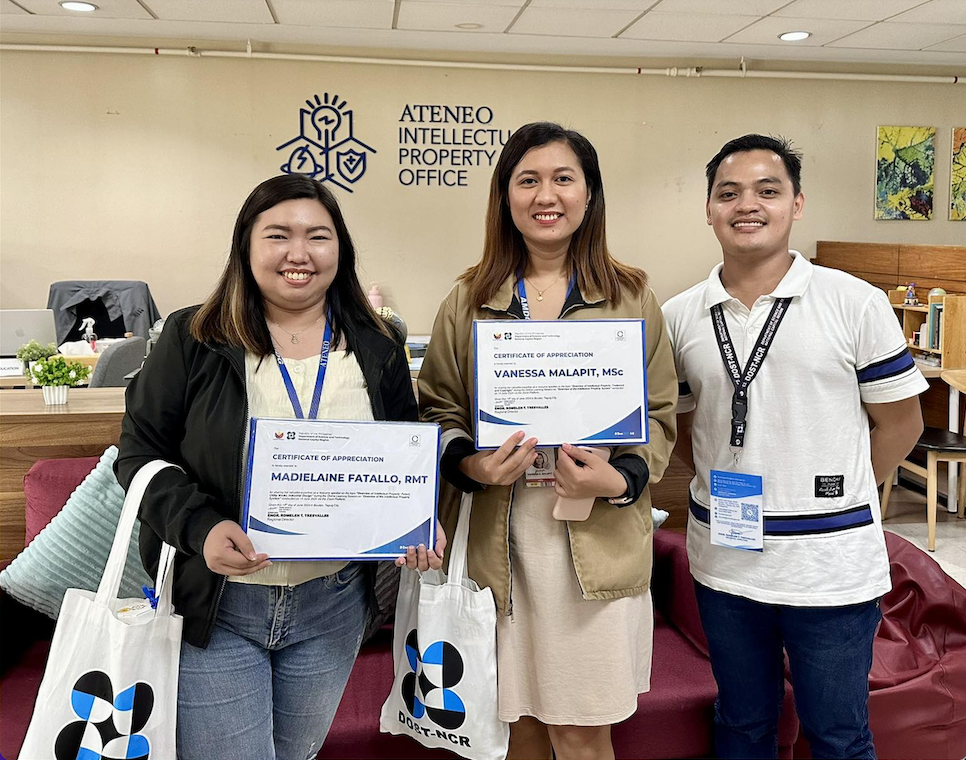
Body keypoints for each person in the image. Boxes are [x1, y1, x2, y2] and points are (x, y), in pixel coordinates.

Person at [115, 174, 445, 760]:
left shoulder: (376, 343)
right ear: (246, 246)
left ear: (339, 249)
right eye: (278, 235)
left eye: (318, 236)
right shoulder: (193, 338)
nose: (299, 253)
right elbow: (139, 452)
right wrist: (201, 528)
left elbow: (404, 448)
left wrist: (418, 518)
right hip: (219, 602)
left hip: (335, 603)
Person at [662, 134, 926, 759]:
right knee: (742, 723)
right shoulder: (679, 316)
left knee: (836, 735)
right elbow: (680, 428)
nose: (746, 205)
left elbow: (901, 425)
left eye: (767, 191)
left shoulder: (854, 302)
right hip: (725, 560)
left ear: (797, 204)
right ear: (708, 209)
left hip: (829, 568)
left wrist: (840, 488)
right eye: (728, 193)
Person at [418, 122, 677, 760]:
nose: (546, 195)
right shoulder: (470, 297)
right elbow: (437, 407)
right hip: (499, 545)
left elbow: (662, 411)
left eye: (564, 178)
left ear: (590, 195)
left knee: (583, 730)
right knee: (519, 728)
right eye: (527, 179)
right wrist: (473, 465)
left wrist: (617, 480)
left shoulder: (631, 296)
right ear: (504, 196)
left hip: (595, 543)